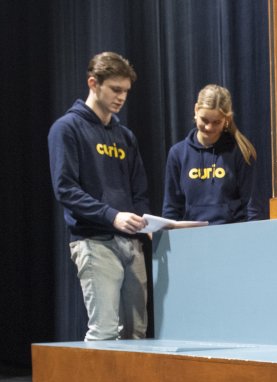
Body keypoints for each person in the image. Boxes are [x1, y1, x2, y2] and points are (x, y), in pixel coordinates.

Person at [48, 51, 150, 341]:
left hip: (131, 243)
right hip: (94, 240)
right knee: (104, 331)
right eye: (115, 89)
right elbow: (65, 189)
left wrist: (143, 224)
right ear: (93, 83)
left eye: (126, 91)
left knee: (135, 334)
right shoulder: (67, 128)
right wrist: (112, 216)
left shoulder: (125, 136)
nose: (121, 98)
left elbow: (139, 189)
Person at [162, 84, 261, 224]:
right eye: (204, 120)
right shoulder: (177, 153)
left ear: (226, 119)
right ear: (196, 110)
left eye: (216, 122)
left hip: (231, 235)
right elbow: (171, 208)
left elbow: (251, 206)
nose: (209, 127)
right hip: (192, 237)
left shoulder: (240, 152)